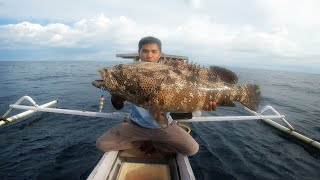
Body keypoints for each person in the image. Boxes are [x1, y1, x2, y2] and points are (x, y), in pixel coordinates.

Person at [96, 36, 216, 156]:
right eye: (145, 51)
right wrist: (116, 93)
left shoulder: (170, 73)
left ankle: (153, 143)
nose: (149, 55)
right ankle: (142, 142)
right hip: (135, 125)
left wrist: (200, 105)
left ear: (160, 54)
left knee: (192, 149)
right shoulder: (132, 72)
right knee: (102, 144)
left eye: (154, 51)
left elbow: (185, 99)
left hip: (163, 126)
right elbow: (118, 106)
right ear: (139, 53)